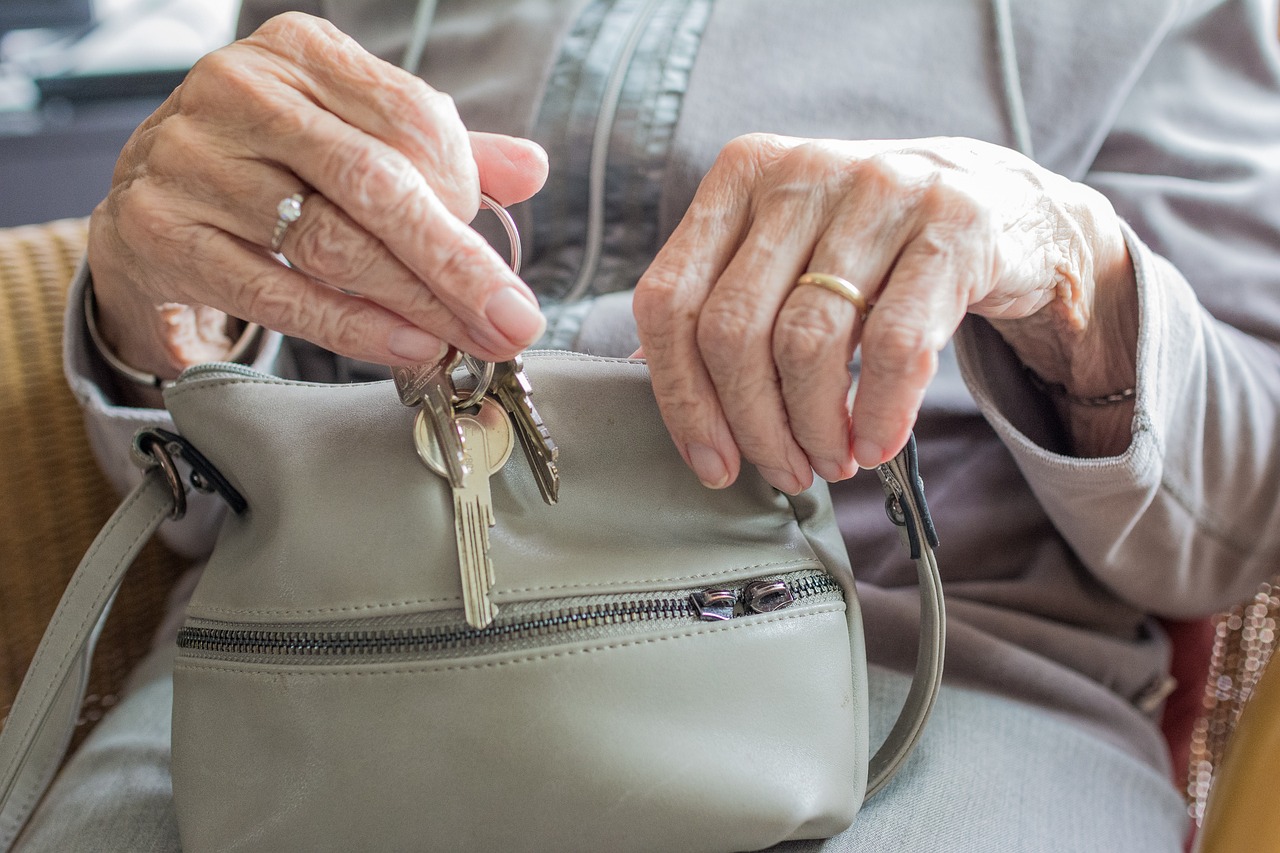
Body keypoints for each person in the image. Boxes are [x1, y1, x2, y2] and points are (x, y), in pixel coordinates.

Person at [16, 0, 1280, 849]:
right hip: (305, 643)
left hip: (912, 678)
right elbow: (190, 485)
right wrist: (155, 303)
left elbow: (1231, 527)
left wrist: (1061, 260)